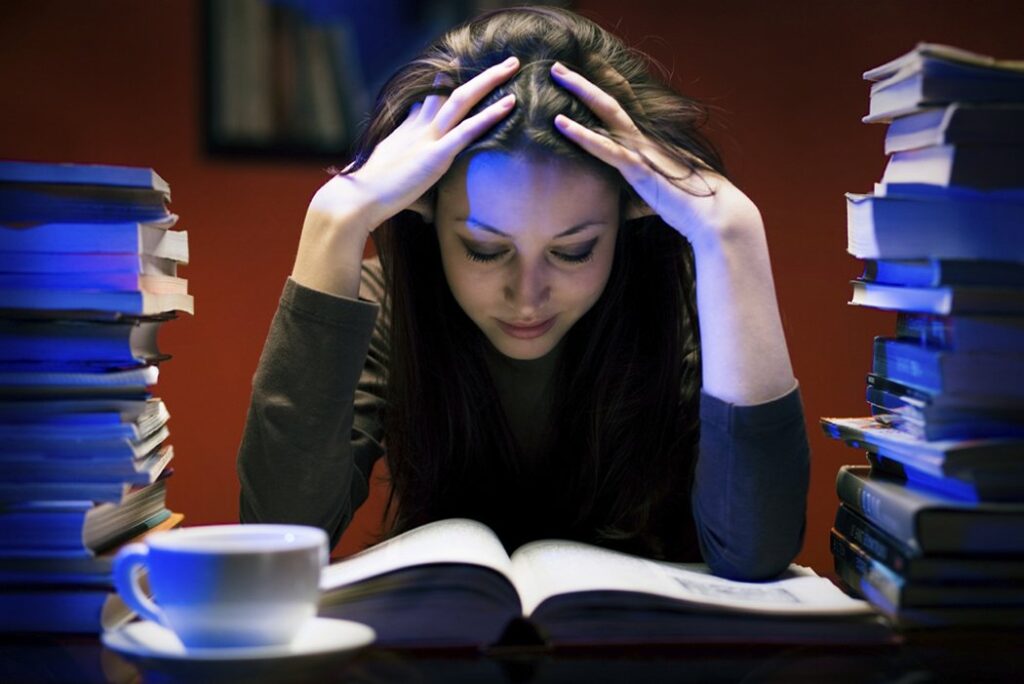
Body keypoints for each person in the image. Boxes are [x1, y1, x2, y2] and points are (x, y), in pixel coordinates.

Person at [238, 5, 809, 580]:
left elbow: (756, 549)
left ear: (631, 213)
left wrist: (734, 232)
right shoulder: (388, 307)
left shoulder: (686, 306)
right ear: (427, 214)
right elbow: (278, 535)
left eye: (574, 251)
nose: (528, 296)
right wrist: (333, 218)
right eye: (485, 251)